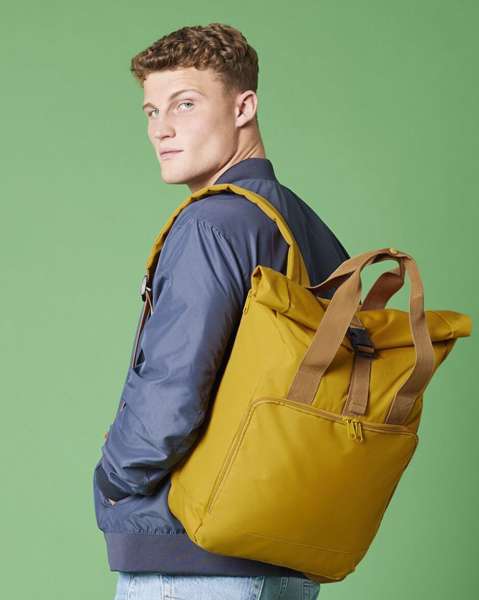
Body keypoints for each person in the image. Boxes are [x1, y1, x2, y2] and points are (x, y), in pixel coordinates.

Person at [92, 22, 350, 600]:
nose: (161, 129)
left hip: (193, 563)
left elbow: (173, 389)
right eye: (152, 111)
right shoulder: (305, 227)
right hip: (282, 554)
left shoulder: (211, 224)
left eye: (184, 104)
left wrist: (113, 477)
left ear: (243, 107)